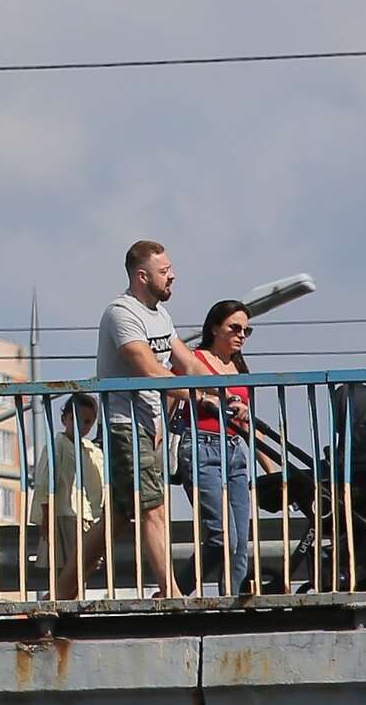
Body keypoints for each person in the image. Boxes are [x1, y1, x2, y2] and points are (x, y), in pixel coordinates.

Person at [94, 240, 208, 599]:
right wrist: (201, 399)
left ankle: (63, 589)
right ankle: (171, 594)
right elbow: (149, 370)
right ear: (142, 276)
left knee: (117, 518)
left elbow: (188, 363)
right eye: (165, 271)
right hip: (125, 424)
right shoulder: (121, 313)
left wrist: (226, 391)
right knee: (153, 509)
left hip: (148, 425)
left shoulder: (160, 315)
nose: (173, 276)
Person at [177, 299, 264, 595]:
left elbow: (246, 425)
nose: (241, 335)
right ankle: (176, 591)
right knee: (222, 536)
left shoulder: (239, 368)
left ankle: (233, 600)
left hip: (235, 450)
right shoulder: (194, 360)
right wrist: (203, 398)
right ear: (215, 328)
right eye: (235, 328)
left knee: (240, 544)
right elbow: (170, 393)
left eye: (246, 331)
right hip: (201, 446)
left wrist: (272, 469)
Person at [29, 392, 106, 599]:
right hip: (65, 514)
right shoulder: (58, 444)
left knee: (85, 564)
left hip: (85, 515)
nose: (82, 426)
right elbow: (46, 481)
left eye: (88, 422)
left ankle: (61, 600)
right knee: (75, 565)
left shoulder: (90, 450)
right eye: (76, 420)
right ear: (65, 419)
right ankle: (56, 600)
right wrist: (47, 515)